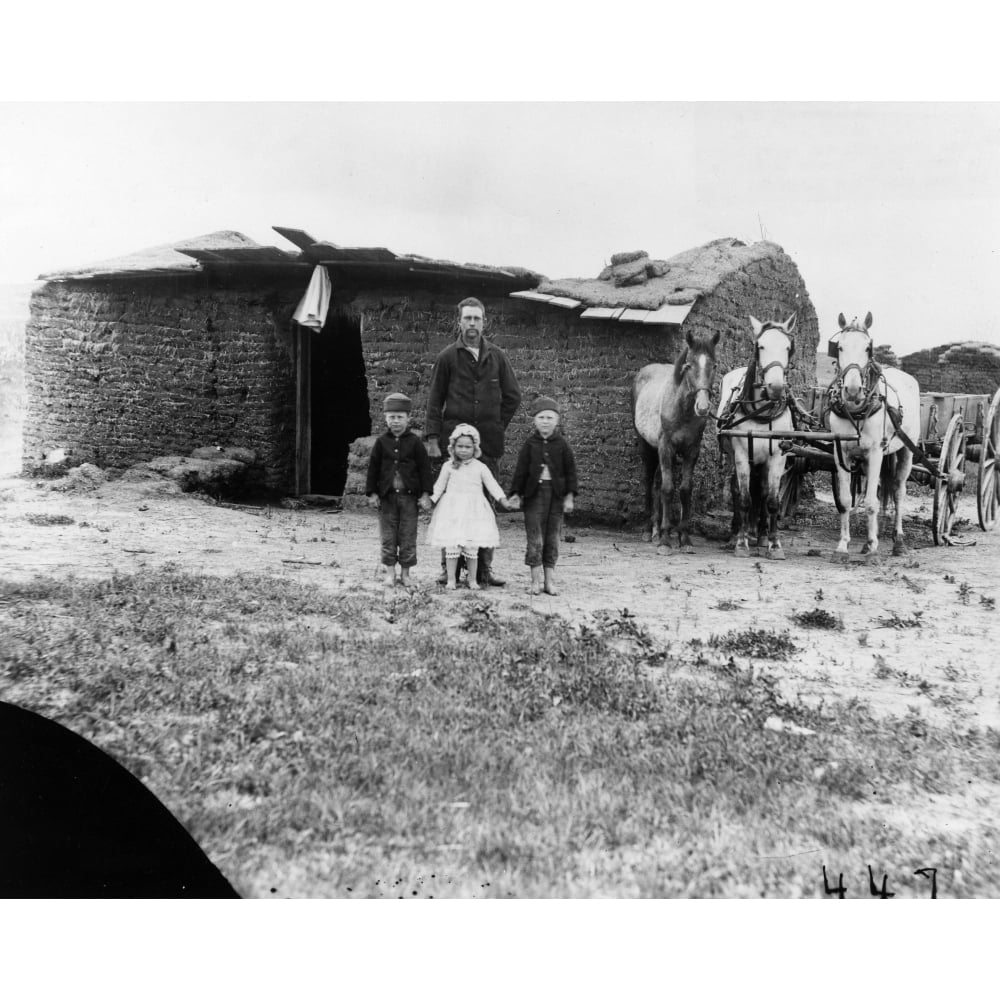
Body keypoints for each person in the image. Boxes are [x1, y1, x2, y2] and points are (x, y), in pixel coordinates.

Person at [425, 297, 521, 586]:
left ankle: (484, 570)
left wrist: (495, 425)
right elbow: (434, 399)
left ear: (484, 322)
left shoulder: (498, 357)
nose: (472, 324)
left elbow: (513, 396)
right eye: (467, 318)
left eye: (477, 319)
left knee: (485, 509)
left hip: (487, 446)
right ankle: (448, 569)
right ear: (459, 321)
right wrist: (432, 438)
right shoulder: (447, 358)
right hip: (455, 445)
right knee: (451, 507)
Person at [426, 424, 513, 591]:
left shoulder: (480, 467)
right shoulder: (448, 466)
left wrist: (503, 499)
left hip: (474, 512)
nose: (464, 450)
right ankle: (451, 579)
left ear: (475, 448)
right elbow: (438, 487)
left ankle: (472, 579)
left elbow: (492, 485)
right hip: (452, 511)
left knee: (472, 546)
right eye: (460, 446)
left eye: (468, 447)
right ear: (453, 447)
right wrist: (431, 500)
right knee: (452, 545)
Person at [508, 396, 578, 597]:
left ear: (557, 421)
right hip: (533, 497)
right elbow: (520, 472)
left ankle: (549, 581)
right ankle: (535, 581)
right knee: (535, 539)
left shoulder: (562, 445)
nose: (545, 421)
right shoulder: (530, 445)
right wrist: (516, 494)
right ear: (534, 421)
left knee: (552, 538)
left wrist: (569, 497)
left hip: (556, 498)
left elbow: (571, 473)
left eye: (549, 417)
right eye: (541, 417)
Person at [365, 392, 433, 588]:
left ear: (408, 418)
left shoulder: (415, 442)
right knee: (388, 536)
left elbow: (424, 469)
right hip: (387, 499)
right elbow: (373, 468)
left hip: (409, 499)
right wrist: (373, 492)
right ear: (386, 419)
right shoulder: (381, 443)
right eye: (392, 417)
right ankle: (389, 573)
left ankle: (405, 574)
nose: (396, 421)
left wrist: (425, 494)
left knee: (408, 535)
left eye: (400, 417)